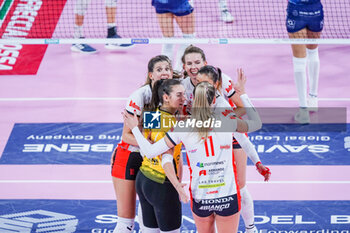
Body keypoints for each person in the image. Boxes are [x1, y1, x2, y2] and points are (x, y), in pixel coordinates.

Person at [123, 72, 263, 233]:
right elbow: (256, 123)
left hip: (200, 197)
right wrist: (243, 93)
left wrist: (135, 127)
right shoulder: (227, 121)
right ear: (215, 101)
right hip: (227, 195)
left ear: (194, 100)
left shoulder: (183, 126)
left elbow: (149, 151)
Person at [181, 46, 267, 233]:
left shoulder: (223, 83)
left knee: (240, 187)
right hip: (202, 133)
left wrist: (220, 120)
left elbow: (245, 112)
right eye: (189, 63)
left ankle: (251, 228)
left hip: (225, 132)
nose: (193, 67)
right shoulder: (182, 84)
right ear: (184, 66)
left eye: (197, 62)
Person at [110, 55, 173, 233]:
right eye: (159, 70)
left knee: (148, 220)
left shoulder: (172, 95)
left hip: (152, 160)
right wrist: (150, 144)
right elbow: (126, 136)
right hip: (129, 156)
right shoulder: (139, 96)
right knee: (125, 223)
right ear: (151, 75)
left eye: (167, 69)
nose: (164, 73)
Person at [135, 79, 186, 233]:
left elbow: (145, 150)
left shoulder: (152, 115)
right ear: (166, 97)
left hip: (144, 180)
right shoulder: (171, 124)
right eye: (179, 95)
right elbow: (166, 159)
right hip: (162, 185)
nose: (184, 98)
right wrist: (177, 186)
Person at [286, 0, 324, 123]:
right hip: (315, 10)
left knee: (299, 60)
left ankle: (303, 111)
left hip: (296, 11)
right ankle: (313, 99)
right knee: (313, 52)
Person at [152, 0, 195, 72]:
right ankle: (178, 71)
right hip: (179, 3)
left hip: (161, 2)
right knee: (188, 38)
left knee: (168, 40)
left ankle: (165, 73)